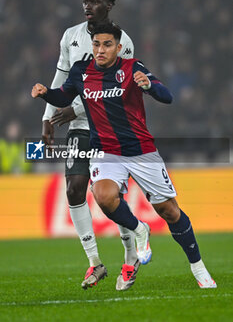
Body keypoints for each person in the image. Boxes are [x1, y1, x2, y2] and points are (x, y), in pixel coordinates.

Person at [32, 23, 217, 290]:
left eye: (107, 44)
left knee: (169, 211)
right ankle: (139, 229)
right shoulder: (81, 72)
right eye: (96, 44)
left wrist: (149, 87)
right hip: (106, 152)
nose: (100, 49)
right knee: (103, 196)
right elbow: (63, 96)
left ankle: (198, 267)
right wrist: (45, 94)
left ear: (119, 48)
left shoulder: (132, 68)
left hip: (140, 149)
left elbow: (167, 97)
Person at [41, 0, 148, 291]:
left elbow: (119, 90)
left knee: (109, 199)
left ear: (109, 5)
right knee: (75, 189)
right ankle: (95, 263)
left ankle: (130, 258)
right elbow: (61, 77)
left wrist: (74, 110)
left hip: (111, 127)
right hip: (79, 128)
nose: (87, 6)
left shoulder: (122, 41)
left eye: (94, 1)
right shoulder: (70, 37)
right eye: (85, 0)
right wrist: (48, 117)